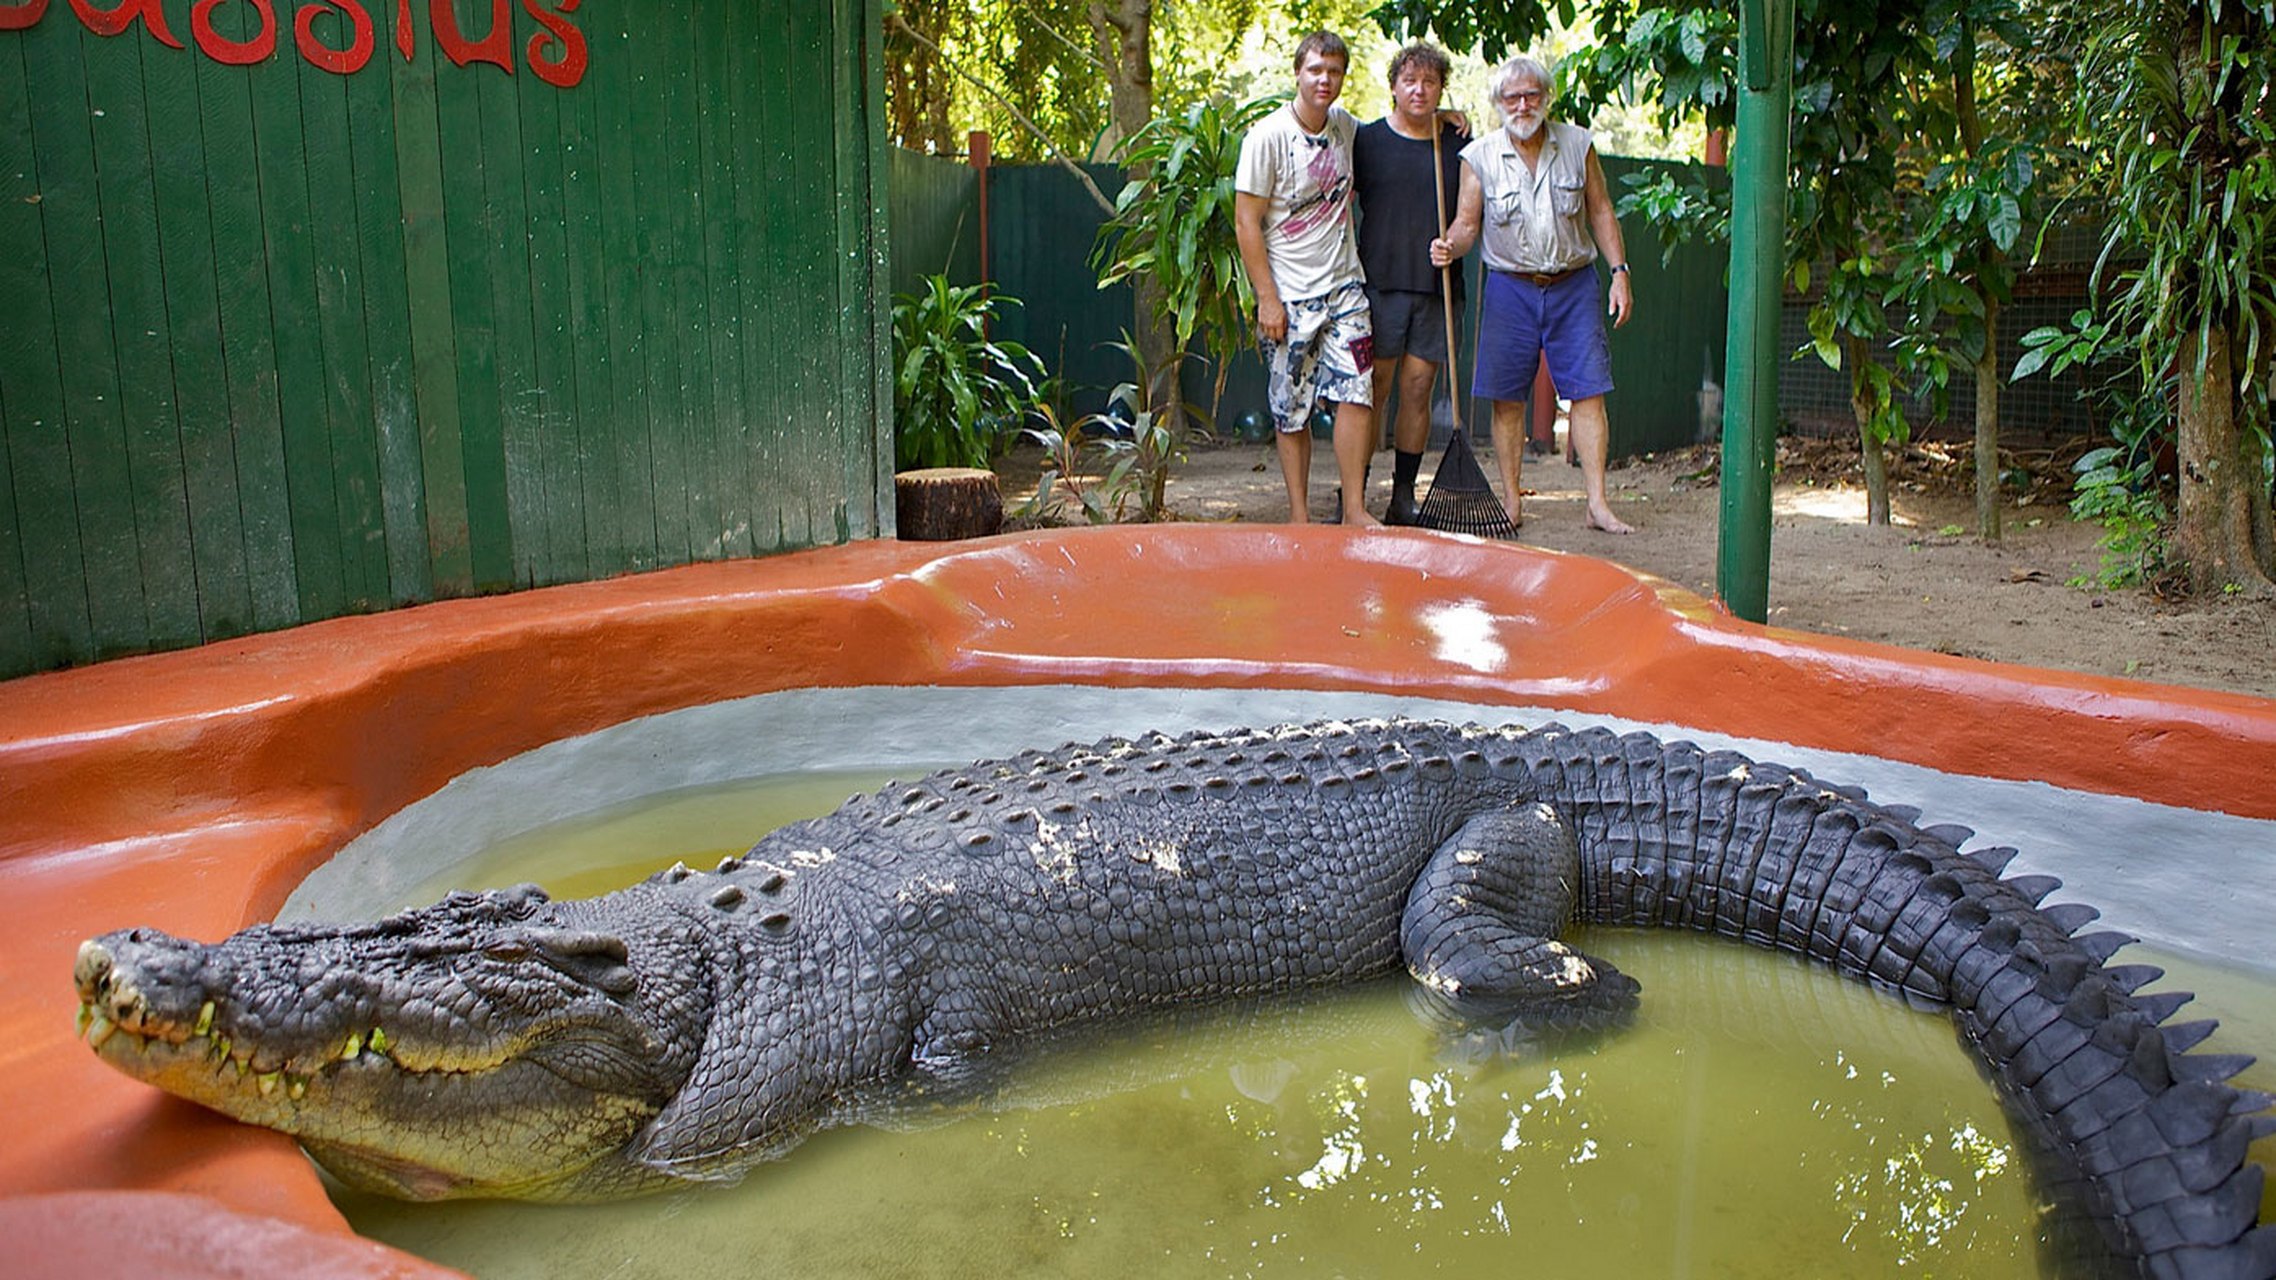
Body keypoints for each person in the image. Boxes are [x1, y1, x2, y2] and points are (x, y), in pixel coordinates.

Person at [1430, 54, 1637, 533]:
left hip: (1574, 284)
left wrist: (1620, 272)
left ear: (1546, 98)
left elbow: (1602, 210)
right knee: (1506, 400)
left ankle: (1597, 504)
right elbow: (1466, 224)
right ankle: (1511, 501)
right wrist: (1449, 246)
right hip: (1509, 288)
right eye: (1512, 97)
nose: (1522, 105)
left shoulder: (1577, 143)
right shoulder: (1478, 156)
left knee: (1588, 394)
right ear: (1499, 103)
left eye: (1531, 95)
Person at [1234, 30, 1378, 526]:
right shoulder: (1267, 136)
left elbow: (1394, 131)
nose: (1325, 80)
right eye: (1316, 70)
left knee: (1357, 393)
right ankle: (1299, 514)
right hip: (1290, 296)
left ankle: (1354, 509)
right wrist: (1266, 298)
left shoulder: (1344, 127)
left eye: (1334, 72)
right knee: (1290, 407)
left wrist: (1441, 118)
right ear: (1298, 72)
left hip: (1345, 289)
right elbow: (1245, 221)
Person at [1353, 41, 1467, 526]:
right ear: (1394, 87)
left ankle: (1403, 496)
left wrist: (1454, 244)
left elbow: (1470, 215)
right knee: (1371, 391)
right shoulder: (1367, 141)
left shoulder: (1456, 143)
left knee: (1417, 389)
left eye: (1430, 82)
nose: (1420, 90)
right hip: (1378, 284)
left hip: (1435, 288)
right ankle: (1354, 492)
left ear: (1441, 88)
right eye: (1410, 81)